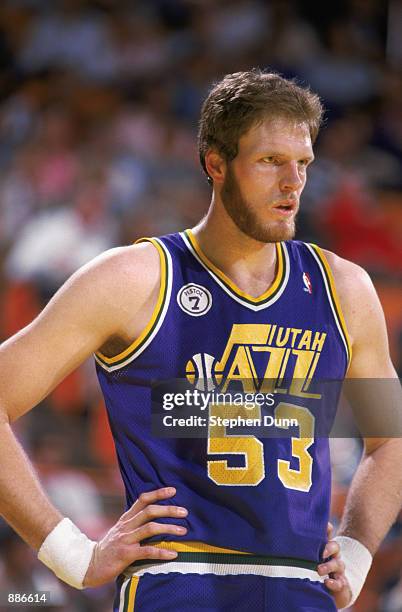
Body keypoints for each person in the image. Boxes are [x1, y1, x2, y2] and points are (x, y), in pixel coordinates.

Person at [0, 69, 401, 611]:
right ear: (216, 163)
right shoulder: (133, 278)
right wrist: (71, 552)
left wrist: (356, 549)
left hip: (303, 586)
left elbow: (392, 436)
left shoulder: (344, 287)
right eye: (269, 161)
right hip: (178, 581)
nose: (292, 183)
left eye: (302, 163)